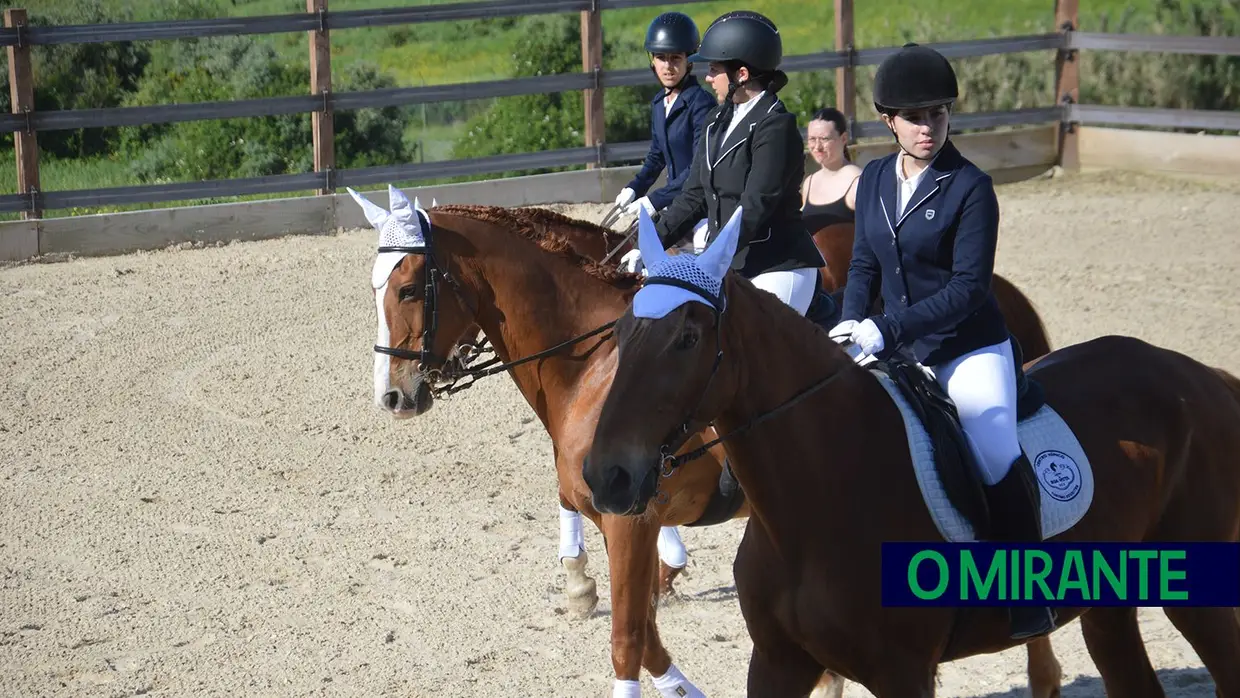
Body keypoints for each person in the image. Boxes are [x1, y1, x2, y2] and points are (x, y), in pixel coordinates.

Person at [828, 43, 1056, 640]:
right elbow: (863, 267)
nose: (927, 127)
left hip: (968, 348)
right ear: (888, 120)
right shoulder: (875, 178)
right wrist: (851, 321)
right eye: (914, 116)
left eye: (937, 113)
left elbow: (968, 288)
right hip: (897, 346)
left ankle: (1027, 591)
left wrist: (888, 327)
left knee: (990, 440)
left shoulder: (970, 187)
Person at [622, 10, 825, 316]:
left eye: (714, 69)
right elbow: (695, 194)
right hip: (728, 263)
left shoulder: (776, 127)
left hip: (776, 266)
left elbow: (755, 205)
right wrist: (649, 244)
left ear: (741, 74)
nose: (706, 77)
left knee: (750, 351)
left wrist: (706, 259)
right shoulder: (716, 120)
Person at [613, 12, 716, 220]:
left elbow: (699, 166)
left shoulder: (701, 104)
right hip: (675, 202)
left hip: (701, 206)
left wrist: (656, 200)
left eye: (675, 58)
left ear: (689, 61)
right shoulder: (660, 102)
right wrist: (635, 187)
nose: (668, 67)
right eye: (661, 58)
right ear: (652, 60)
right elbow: (657, 155)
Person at [800, 106, 862, 232]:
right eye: (812, 139)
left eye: (824, 139)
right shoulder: (810, 182)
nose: (817, 147)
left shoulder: (858, 181)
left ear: (844, 138)